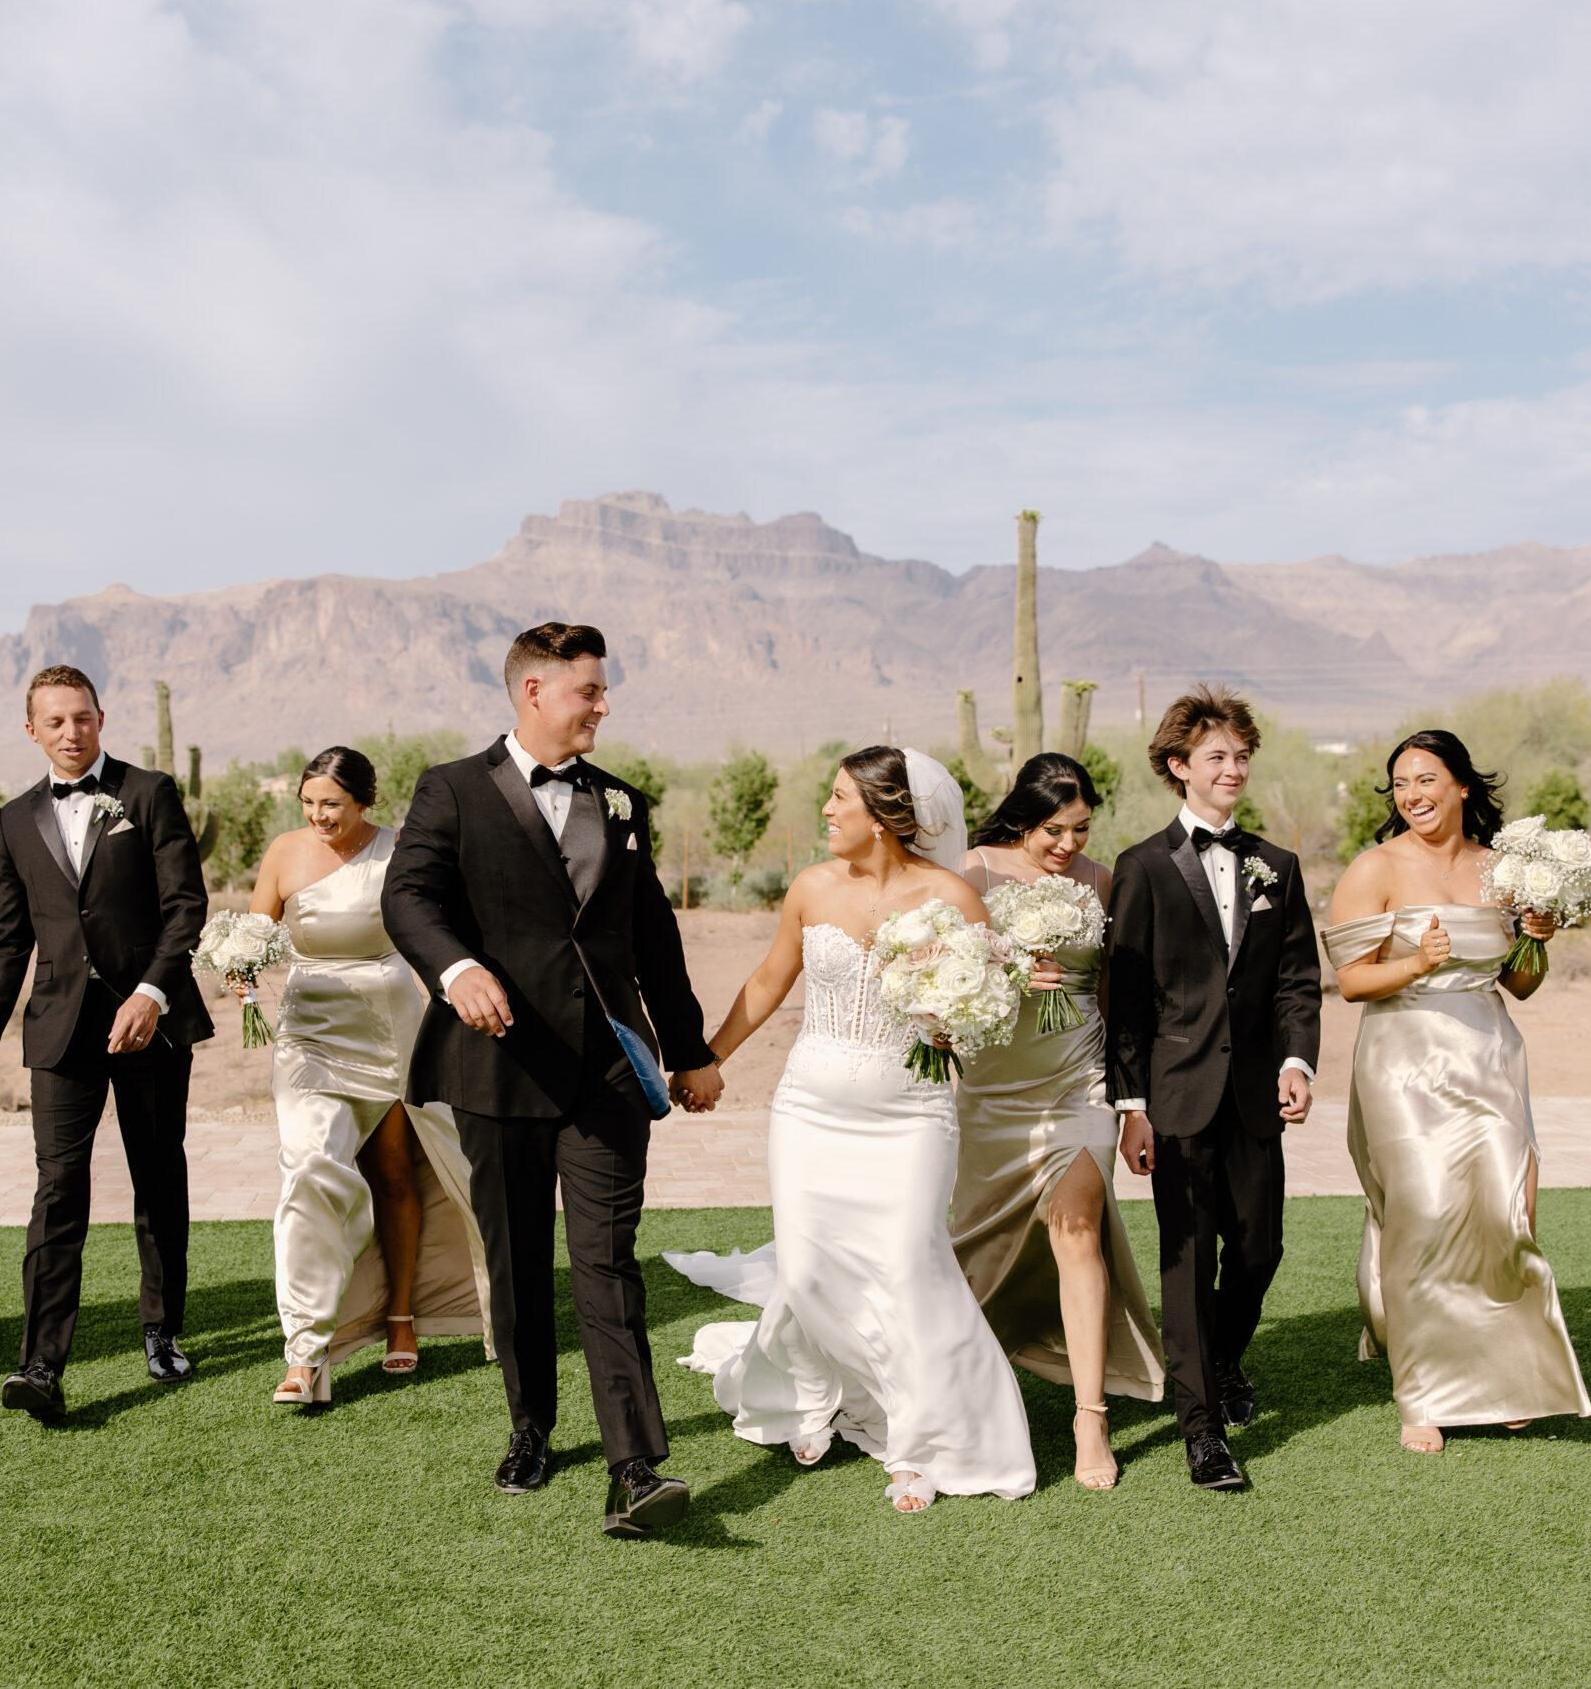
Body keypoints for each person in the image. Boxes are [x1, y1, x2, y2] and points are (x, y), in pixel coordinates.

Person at [381, 621, 720, 1540]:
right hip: (499, 1064)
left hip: (610, 1068)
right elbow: (407, 898)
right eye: (590, 691)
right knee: (518, 1258)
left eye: (603, 691)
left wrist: (688, 1050)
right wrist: (457, 970)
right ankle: (531, 1426)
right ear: (534, 692)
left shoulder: (623, 803)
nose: (604, 706)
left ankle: (636, 1463)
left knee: (607, 1261)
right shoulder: (450, 790)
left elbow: (653, 938)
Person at [667, 746, 1037, 1513]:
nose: (827, 812)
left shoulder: (952, 897)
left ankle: (922, 1438)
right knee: (804, 1271)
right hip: (810, 1112)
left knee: (907, 1263)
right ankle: (810, 1395)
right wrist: (705, 1060)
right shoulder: (811, 888)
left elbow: (987, 1012)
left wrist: (951, 1027)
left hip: (911, 1115)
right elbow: (770, 979)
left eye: (840, 799)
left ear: (884, 814)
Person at [0, 664, 214, 1421]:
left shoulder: (149, 793)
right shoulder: (13, 819)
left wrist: (152, 994)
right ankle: (41, 1364)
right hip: (58, 1029)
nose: (70, 732)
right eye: (54, 722)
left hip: (149, 1022)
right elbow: (7, 938)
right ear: (32, 730)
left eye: (81, 717)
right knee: (59, 1189)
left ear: (101, 716)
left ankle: (161, 1329)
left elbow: (186, 907)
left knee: (157, 1178)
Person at [1322, 730, 1591, 1454]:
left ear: (1463, 785)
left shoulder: (1502, 868)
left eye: (1426, 779)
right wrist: (1413, 962)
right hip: (1403, 1064)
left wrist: (1538, 936)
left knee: (1507, 1212)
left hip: (1489, 1055)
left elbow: (1522, 984)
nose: (1412, 795)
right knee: (1426, 1214)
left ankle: (1503, 1377)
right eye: (1400, 784)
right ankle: (1423, 1393)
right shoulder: (1375, 867)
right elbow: (1351, 982)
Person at [1105, 686, 1320, 1490]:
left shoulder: (1280, 866)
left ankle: (1224, 1356)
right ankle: (1201, 1429)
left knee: (1260, 1247)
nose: (1233, 769)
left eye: (1240, 756)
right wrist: (1130, 1105)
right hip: (1175, 1096)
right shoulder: (1143, 868)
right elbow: (1124, 1000)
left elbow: (1299, 979)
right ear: (1178, 766)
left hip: (1256, 1095)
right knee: (1188, 1261)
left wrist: (1297, 1062)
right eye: (1217, 757)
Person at [246, 746, 489, 1405]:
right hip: (309, 1036)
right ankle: (306, 1352)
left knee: (394, 1173)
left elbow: (438, 925)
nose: (319, 815)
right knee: (309, 1165)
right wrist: (238, 967)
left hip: (389, 1029)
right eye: (309, 804)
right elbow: (254, 930)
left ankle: (402, 1315)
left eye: (333, 804)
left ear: (364, 803)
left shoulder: (400, 850)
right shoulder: (284, 853)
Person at [953, 752, 1167, 1491]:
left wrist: (1131, 1102)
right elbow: (938, 981)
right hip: (991, 1091)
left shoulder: (1100, 882)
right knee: (969, 1245)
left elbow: (1117, 1000)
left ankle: (1090, 1414)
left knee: (1077, 1229)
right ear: (1021, 816)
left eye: (1080, 829)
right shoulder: (972, 873)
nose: (1069, 844)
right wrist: (1010, 972)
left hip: (1079, 1080)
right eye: (1054, 829)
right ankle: (960, 1380)